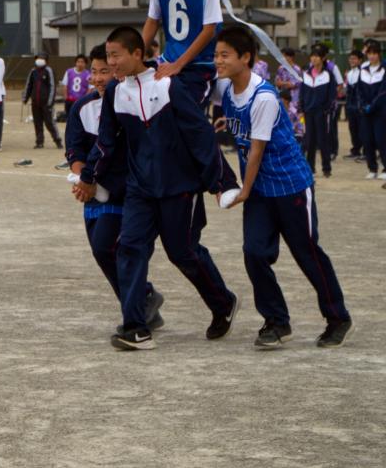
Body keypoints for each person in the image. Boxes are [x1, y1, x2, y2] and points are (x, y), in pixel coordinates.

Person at [78, 26, 238, 351]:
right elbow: (107, 142)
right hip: (140, 188)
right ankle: (135, 327)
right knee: (130, 249)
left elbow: (200, 134)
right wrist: (88, 176)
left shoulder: (168, 85)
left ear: (138, 53)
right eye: (107, 56)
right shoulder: (114, 93)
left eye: (116, 55)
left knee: (184, 252)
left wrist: (220, 182)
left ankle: (223, 303)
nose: (111, 63)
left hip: (179, 186)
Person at [212, 26, 353, 348]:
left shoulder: (264, 96)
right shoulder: (226, 88)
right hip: (260, 189)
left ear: (246, 58)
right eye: (216, 54)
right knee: (254, 253)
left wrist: (244, 191)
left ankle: (338, 317)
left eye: (224, 55)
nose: (217, 61)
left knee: (307, 253)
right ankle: (276, 321)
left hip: (290, 186)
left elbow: (257, 150)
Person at [66, 45, 165, 331]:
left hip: (126, 192)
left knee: (108, 246)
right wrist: (83, 181)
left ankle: (137, 309)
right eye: (94, 72)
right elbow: (74, 151)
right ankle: (144, 301)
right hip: (93, 192)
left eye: (104, 71)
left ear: (118, 71)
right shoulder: (82, 107)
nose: (98, 78)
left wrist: (93, 180)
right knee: (102, 252)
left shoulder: (128, 104)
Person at [300, 47, 339, 178]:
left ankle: (326, 168)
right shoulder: (306, 73)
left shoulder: (328, 74)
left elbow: (332, 95)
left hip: (322, 113)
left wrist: (326, 109)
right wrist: (302, 108)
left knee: (323, 141)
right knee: (309, 141)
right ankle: (310, 168)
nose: (314, 58)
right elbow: (302, 93)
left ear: (322, 58)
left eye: (317, 56)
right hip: (308, 112)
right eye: (312, 56)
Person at [358, 41, 386, 181]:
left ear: (379, 54)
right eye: (370, 53)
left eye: (375, 53)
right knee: (367, 140)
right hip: (366, 113)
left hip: (380, 112)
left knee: (381, 140)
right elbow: (359, 90)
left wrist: (372, 106)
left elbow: (382, 92)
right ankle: (372, 168)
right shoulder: (363, 70)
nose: (372, 56)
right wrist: (363, 105)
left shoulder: (384, 70)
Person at [22, 52, 61, 150]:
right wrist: (25, 98)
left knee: (49, 122)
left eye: (42, 58)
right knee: (37, 123)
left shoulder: (49, 71)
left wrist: (50, 102)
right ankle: (39, 142)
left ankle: (57, 140)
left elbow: (52, 86)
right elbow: (29, 85)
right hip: (35, 102)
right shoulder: (33, 71)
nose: (39, 59)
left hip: (46, 103)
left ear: (46, 60)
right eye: (38, 58)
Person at [344, 50, 364, 159]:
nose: (352, 60)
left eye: (354, 58)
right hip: (350, 105)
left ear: (360, 60)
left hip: (360, 105)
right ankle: (355, 150)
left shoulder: (363, 72)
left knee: (363, 129)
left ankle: (366, 151)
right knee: (353, 128)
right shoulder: (349, 73)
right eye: (350, 58)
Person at [61, 54, 90, 120]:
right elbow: (65, 85)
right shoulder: (69, 72)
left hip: (81, 100)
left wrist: (85, 100)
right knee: (69, 118)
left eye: (82, 62)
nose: (80, 64)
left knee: (80, 119)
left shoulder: (88, 74)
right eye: (78, 62)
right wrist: (66, 98)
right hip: (70, 100)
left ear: (85, 64)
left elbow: (90, 88)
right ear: (75, 63)